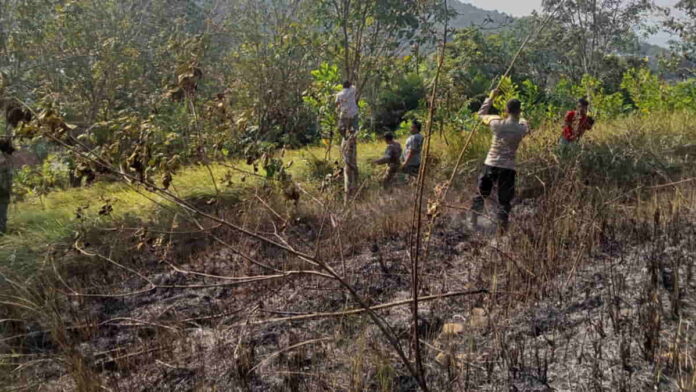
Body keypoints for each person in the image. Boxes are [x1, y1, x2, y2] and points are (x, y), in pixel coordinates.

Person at [471, 90, 531, 230]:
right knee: (504, 201)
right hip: (508, 168)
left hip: (491, 163)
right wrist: (522, 119)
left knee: (481, 194)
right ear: (519, 111)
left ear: (506, 110)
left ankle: (473, 221)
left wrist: (491, 98)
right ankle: (502, 230)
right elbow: (527, 126)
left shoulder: (496, 123)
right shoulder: (521, 129)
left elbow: (480, 115)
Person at [335, 81, 359, 202]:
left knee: (341, 129)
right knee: (354, 130)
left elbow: (337, 104)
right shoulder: (353, 89)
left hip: (344, 115)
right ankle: (352, 137)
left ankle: (345, 138)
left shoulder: (339, 94)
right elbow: (354, 86)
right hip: (353, 114)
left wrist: (340, 106)